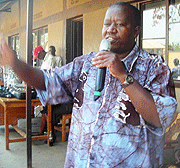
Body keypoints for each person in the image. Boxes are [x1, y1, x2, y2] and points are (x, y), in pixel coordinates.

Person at [0, 2, 177, 167]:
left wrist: (123, 75)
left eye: (120, 25)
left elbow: (159, 118)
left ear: (136, 31)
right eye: (107, 24)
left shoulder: (155, 67)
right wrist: (15, 63)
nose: (111, 30)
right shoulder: (86, 63)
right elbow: (47, 81)